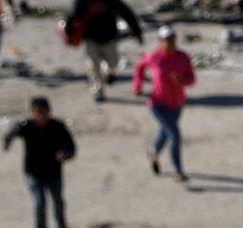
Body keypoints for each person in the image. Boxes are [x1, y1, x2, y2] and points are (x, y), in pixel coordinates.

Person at [3, 96, 75, 228]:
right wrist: (7, 140)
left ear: (50, 112)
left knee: (58, 202)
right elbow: (13, 128)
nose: (41, 116)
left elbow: (72, 148)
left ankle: (61, 226)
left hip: (53, 173)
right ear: (32, 113)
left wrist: (65, 154)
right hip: (33, 174)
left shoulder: (58, 127)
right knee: (39, 204)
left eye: (44, 112)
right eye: (37, 113)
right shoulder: (26, 125)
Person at [131, 26, 193, 183]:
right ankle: (178, 171)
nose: (171, 42)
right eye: (167, 39)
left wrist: (182, 81)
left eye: (173, 38)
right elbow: (139, 68)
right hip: (157, 103)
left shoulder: (182, 57)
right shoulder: (154, 57)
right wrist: (137, 85)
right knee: (175, 135)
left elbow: (191, 78)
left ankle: (153, 152)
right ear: (161, 41)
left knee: (165, 132)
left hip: (177, 103)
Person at [65, 0, 142, 101]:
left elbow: (126, 13)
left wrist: (137, 32)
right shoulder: (82, 1)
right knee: (93, 66)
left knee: (114, 62)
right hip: (91, 39)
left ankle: (108, 73)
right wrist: (68, 33)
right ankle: (98, 92)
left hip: (110, 38)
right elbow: (73, 16)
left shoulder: (112, 1)